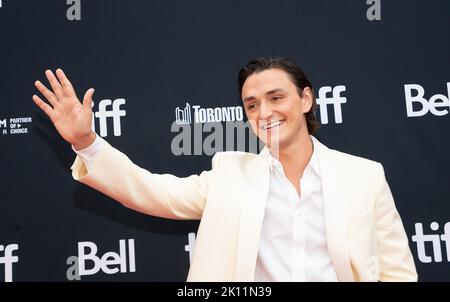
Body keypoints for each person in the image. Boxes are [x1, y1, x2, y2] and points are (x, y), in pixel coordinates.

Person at [32, 57, 417, 282]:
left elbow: (398, 272)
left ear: (306, 99)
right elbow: (150, 191)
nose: (264, 113)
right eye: (251, 105)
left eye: (275, 97)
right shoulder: (230, 173)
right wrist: (86, 142)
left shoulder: (365, 175)